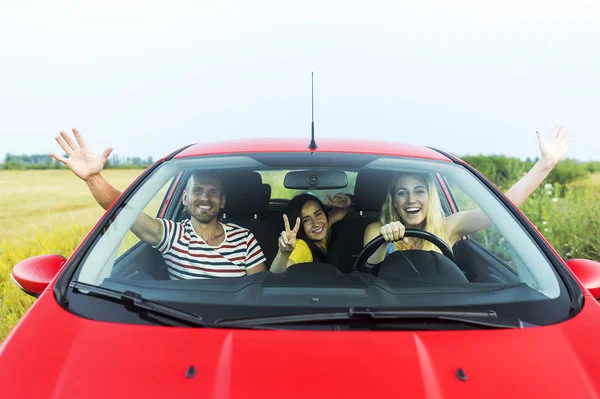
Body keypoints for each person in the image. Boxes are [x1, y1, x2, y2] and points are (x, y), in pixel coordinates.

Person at [50, 128, 267, 279]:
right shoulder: (172, 235)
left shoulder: (244, 239)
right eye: (197, 190)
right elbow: (123, 210)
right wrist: (92, 178)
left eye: (213, 192)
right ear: (185, 198)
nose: (204, 198)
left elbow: (260, 289)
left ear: (222, 201)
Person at [363, 126, 573, 264]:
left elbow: (498, 210)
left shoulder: (448, 226)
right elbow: (370, 267)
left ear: (430, 196)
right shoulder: (378, 229)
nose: (411, 199)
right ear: (394, 201)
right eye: (402, 193)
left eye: (419, 191)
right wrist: (384, 239)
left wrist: (546, 164)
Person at [270, 193, 352, 272]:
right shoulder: (301, 246)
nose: (316, 224)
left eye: (318, 214)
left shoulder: (323, 226)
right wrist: (283, 254)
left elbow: (343, 209)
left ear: (325, 213)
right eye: (306, 220)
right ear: (299, 226)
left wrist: (349, 199)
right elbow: (277, 275)